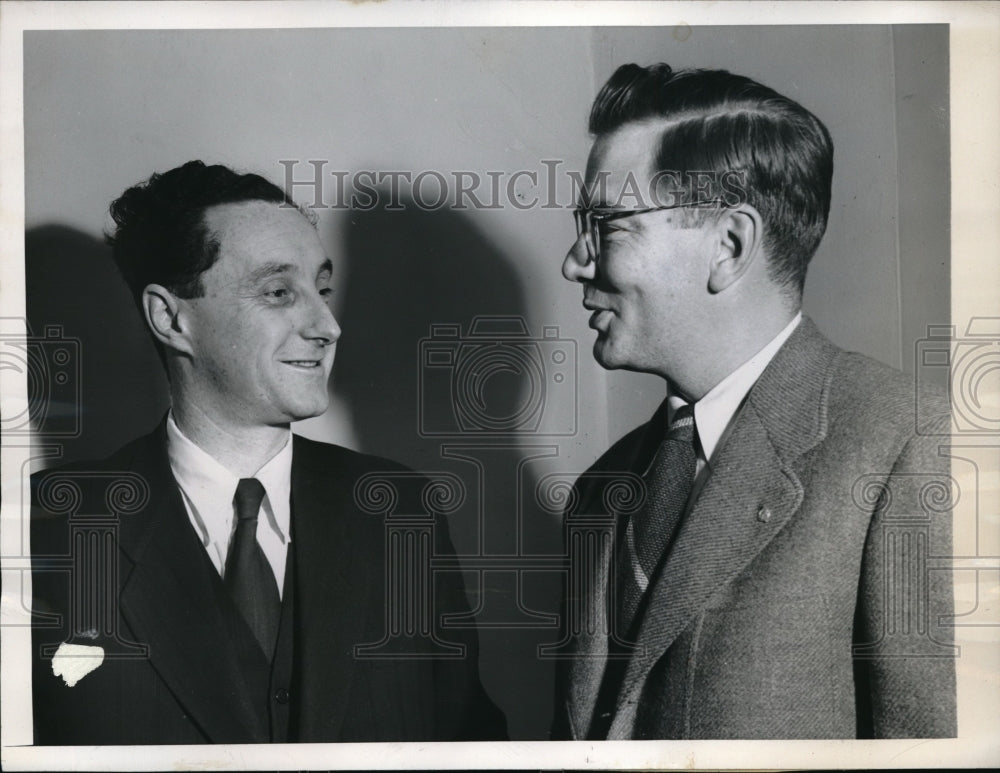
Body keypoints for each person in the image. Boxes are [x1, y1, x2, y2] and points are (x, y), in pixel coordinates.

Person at [30, 160, 506, 744]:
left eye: (323, 290)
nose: (328, 325)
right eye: (279, 292)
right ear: (170, 317)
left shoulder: (402, 512)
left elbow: (470, 741)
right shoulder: (43, 530)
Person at [552, 64, 956, 740]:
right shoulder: (601, 489)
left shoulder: (907, 444)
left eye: (608, 225)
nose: (575, 262)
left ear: (730, 245)